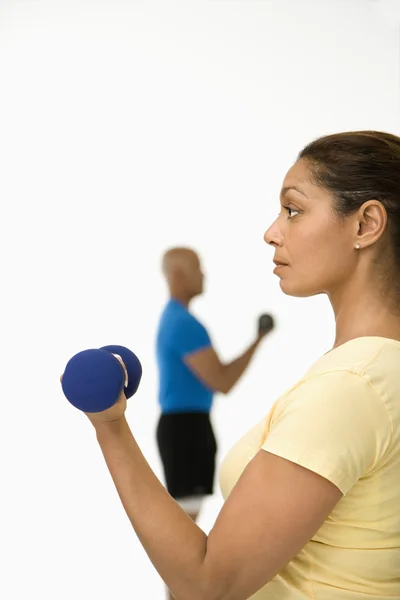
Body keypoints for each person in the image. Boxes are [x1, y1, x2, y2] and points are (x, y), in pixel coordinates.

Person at [77, 131, 400, 599]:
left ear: (366, 224)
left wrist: (109, 424)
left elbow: (207, 585)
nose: (271, 231)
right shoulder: (376, 372)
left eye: (293, 209)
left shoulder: (350, 384)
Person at [155, 248, 271, 528]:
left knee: (186, 523)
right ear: (178, 274)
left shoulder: (175, 319)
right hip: (186, 429)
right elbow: (223, 381)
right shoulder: (183, 324)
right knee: (184, 527)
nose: (203, 274)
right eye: (198, 267)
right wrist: (259, 339)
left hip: (187, 426)